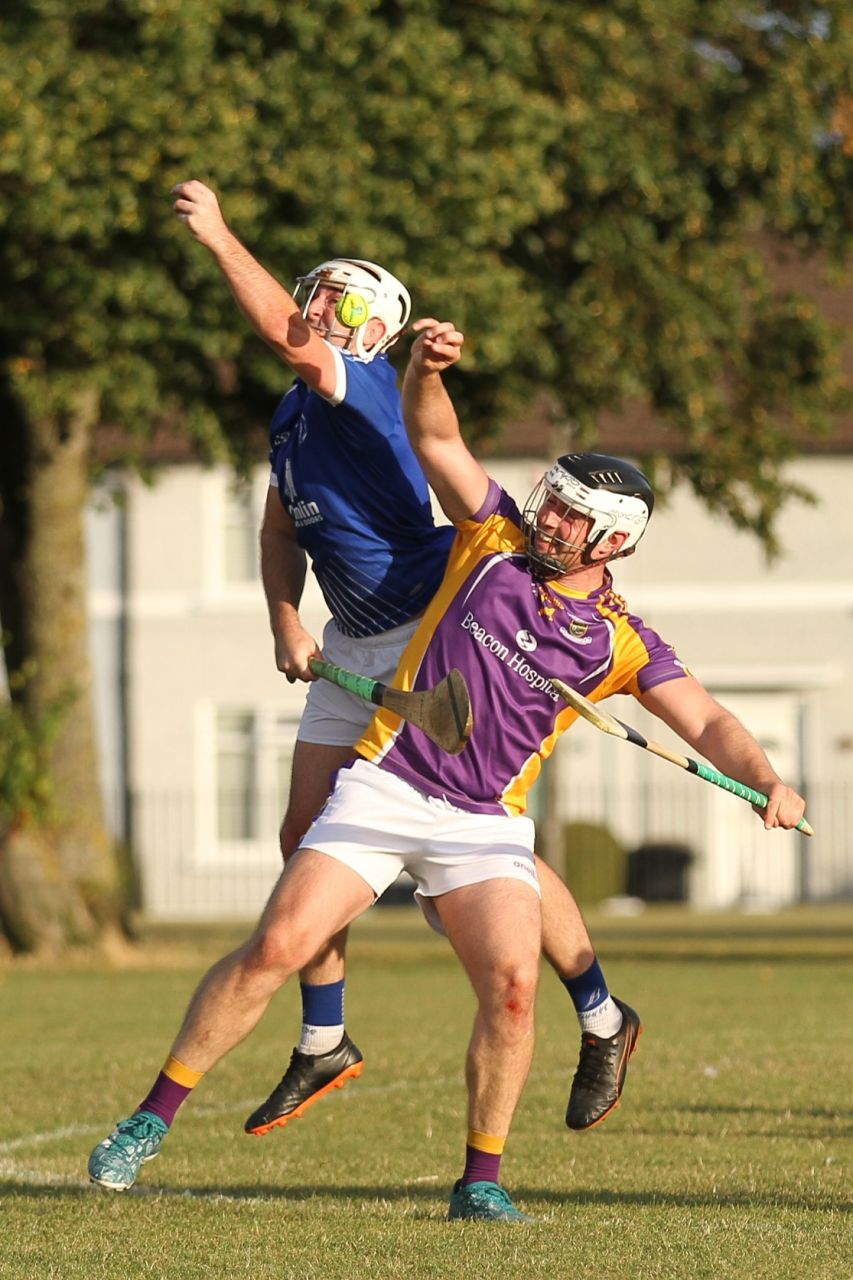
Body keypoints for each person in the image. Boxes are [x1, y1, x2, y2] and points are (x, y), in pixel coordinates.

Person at [87, 318, 807, 1221]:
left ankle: (481, 1181)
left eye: (571, 516)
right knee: (279, 944)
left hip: (483, 825)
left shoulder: (618, 643)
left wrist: (768, 780)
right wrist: (425, 370)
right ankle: (151, 1120)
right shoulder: (491, 542)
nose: (548, 516)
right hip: (385, 786)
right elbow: (436, 436)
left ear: (612, 543)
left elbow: (704, 717)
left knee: (509, 988)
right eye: (551, 499)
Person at [167, 179, 644, 1141]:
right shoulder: (295, 412)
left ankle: (599, 1013)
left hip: (429, 627)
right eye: (312, 291)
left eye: (329, 300)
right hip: (352, 636)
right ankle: (324, 1040)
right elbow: (278, 524)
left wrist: (217, 234)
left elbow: (276, 330)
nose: (309, 307)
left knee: (477, 843)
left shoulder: (361, 384)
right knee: (303, 836)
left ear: (366, 324)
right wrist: (281, 620)